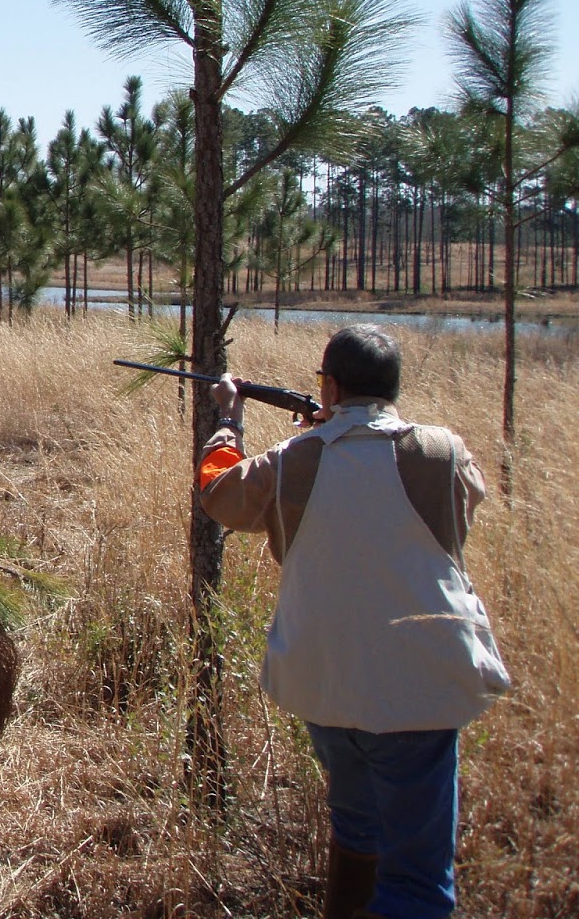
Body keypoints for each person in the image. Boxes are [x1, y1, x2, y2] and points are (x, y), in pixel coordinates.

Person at [196, 324, 510, 919]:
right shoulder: (444, 451)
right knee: (416, 880)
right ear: (393, 389)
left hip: (327, 683)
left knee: (356, 832)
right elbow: (457, 516)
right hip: (423, 686)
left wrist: (229, 419)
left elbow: (219, 494)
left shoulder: (293, 461)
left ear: (331, 387)